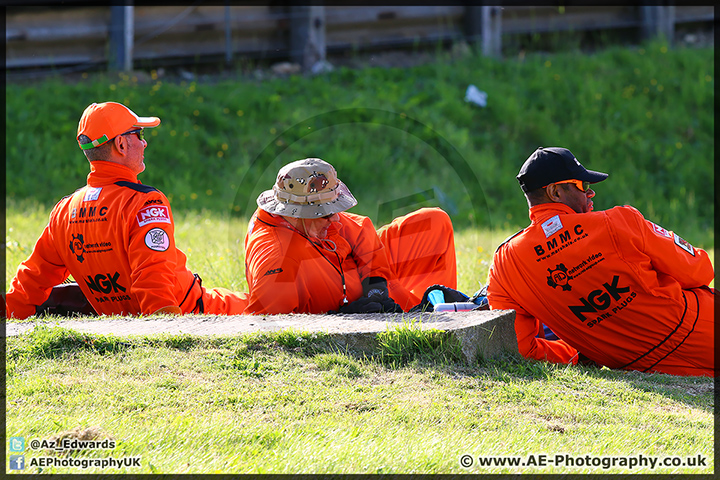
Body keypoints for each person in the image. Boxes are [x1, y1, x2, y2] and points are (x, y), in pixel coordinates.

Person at [6, 102, 248, 319]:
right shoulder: (145, 202)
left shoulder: (64, 211)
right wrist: (170, 336)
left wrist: (9, 314)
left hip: (125, 320)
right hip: (195, 310)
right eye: (139, 133)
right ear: (121, 144)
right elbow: (154, 282)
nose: (144, 142)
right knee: (267, 304)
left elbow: (30, 281)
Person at [486, 147, 715, 377]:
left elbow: (520, 347)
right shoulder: (619, 222)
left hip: (646, 366)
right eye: (582, 186)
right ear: (555, 192)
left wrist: (578, 354)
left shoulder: (505, 264)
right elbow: (701, 270)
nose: (590, 193)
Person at [243, 157, 458, 314]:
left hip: (354, 279)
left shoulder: (308, 220)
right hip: (335, 302)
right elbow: (266, 332)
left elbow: (359, 228)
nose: (335, 219)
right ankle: (428, 316)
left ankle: (435, 308)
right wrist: (339, 317)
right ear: (295, 213)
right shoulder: (277, 259)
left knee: (433, 222)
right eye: (325, 214)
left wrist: (375, 283)